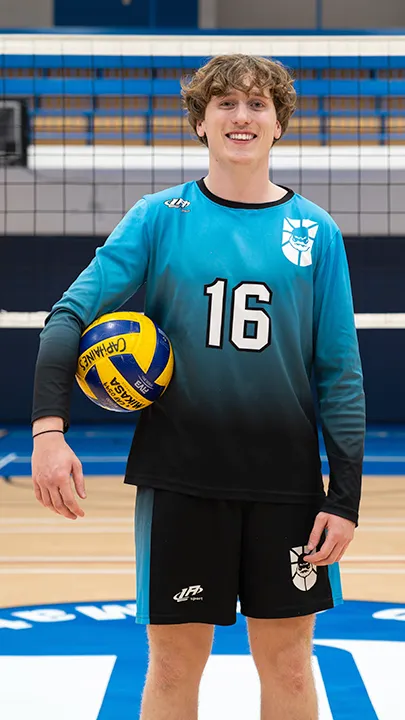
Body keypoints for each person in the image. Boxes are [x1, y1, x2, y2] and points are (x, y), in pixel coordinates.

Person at [31, 54, 365, 720]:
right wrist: (48, 431)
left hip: (285, 488)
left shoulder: (315, 233)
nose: (241, 117)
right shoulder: (159, 218)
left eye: (256, 105)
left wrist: (344, 496)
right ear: (200, 122)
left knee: (292, 671)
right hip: (182, 480)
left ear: (278, 124)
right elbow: (68, 316)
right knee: (175, 667)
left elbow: (340, 373)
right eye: (225, 104)